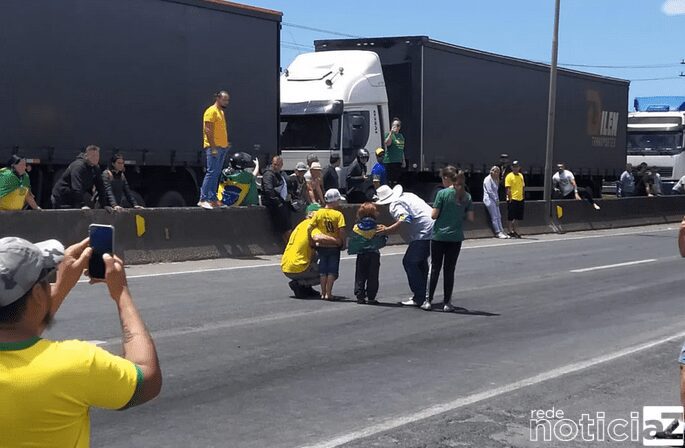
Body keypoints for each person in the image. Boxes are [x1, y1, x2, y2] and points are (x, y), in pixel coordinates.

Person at [0, 237, 161, 446]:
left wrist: (61, 285)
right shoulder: (74, 364)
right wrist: (121, 292)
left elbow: (18, 330)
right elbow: (147, 378)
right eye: (46, 280)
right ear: (39, 294)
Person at [376, 184, 434, 307]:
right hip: (433, 228)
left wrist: (387, 230)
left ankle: (419, 296)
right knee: (420, 262)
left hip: (423, 232)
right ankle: (425, 294)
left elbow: (405, 218)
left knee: (410, 262)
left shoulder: (394, 205)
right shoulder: (408, 195)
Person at [426, 167, 474, 312]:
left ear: (449, 179)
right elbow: (471, 218)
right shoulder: (467, 197)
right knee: (449, 270)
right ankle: (447, 303)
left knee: (435, 268)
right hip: (455, 237)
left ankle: (428, 301)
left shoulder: (442, 194)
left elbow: (434, 215)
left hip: (439, 236)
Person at [282, 203, 338, 299]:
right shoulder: (313, 225)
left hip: (286, 266)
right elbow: (317, 237)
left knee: (315, 254)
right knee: (331, 271)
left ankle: (306, 288)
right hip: (299, 268)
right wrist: (337, 241)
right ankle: (301, 284)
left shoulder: (300, 225)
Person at [308, 189, 346, 301]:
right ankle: (329, 293)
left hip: (322, 245)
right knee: (332, 271)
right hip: (333, 246)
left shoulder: (318, 212)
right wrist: (342, 243)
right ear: (335, 201)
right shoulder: (338, 214)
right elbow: (342, 230)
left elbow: (310, 227)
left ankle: (323, 292)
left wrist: (311, 240)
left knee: (323, 270)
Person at [348, 202, 388, 304]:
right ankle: (371, 297)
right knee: (373, 275)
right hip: (374, 254)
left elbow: (353, 240)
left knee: (360, 275)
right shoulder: (377, 227)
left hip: (361, 254)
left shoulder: (356, 227)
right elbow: (383, 239)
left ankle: (360, 296)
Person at [199, 91, 230, 210]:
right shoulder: (211, 111)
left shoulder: (221, 112)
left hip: (222, 147)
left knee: (216, 173)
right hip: (214, 147)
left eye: (227, 100)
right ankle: (203, 199)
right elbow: (208, 130)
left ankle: (212, 199)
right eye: (224, 100)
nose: (226, 102)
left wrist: (225, 144)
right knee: (211, 172)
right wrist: (212, 147)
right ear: (218, 98)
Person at [51, 145, 107, 209]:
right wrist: (82, 205)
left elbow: (100, 187)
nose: (96, 158)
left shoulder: (96, 168)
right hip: (61, 198)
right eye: (93, 156)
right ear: (86, 156)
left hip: (73, 198)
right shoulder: (78, 166)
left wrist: (104, 205)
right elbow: (77, 186)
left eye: (97, 156)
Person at [262, 156, 291, 242]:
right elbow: (268, 190)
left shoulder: (279, 174)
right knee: (286, 228)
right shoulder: (268, 174)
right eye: (275, 164)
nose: (276, 167)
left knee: (287, 226)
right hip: (274, 204)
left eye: (278, 165)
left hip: (281, 202)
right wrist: (278, 203)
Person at [482, 166, 508, 239]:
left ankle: (502, 230)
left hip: (495, 200)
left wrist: (497, 200)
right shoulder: (487, 179)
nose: (496, 173)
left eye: (497, 172)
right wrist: (496, 199)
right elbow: (490, 191)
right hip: (489, 200)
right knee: (494, 217)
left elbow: (496, 191)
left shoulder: (496, 179)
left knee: (499, 216)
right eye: (495, 171)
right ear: (491, 171)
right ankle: (497, 232)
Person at [504, 160, 525, 238]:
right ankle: (510, 231)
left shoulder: (521, 176)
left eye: (517, 167)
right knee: (510, 216)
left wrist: (523, 196)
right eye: (514, 167)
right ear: (512, 168)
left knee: (517, 217)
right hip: (512, 198)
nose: (516, 168)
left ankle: (515, 230)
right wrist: (509, 198)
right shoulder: (509, 176)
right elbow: (508, 188)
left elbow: (522, 187)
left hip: (520, 198)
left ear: (519, 167)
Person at [383, 118, 405, 186]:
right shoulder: (389, 135)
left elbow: (401, 149)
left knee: (396, 181)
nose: (396, 127)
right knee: (390, 182)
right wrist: (391, 133)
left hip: (398, 161)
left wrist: (403, 160)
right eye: (394, 125)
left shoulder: (401, 136)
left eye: (398, 125)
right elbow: (387, 143)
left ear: (400, 127)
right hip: (390, 161)